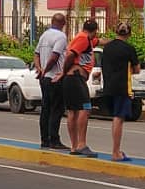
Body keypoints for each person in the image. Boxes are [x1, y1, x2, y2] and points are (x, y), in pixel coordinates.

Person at [100, 21, 140, 162]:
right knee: (119, 118)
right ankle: (115, 152)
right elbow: (137, 69)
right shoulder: (129, 49)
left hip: (108, 87)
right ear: (129, 33)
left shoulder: (107, 48)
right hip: (122, 87)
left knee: (115, 117)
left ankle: (116, 150)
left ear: (115, 32)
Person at [60, 19, 101, 157]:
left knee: (73, 111)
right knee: (85, 108)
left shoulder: (87, 40)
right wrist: (64, 71)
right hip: (75, 78)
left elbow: (100, 42)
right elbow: (71, 54)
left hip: (73, 79)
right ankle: (81, 144)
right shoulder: (83, 39)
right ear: (95, 31)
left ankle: (74, 146)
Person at [33, 13, 68, 150]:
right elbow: (54, 57)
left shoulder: (44, 35)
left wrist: (39, 68)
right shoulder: (61, 37)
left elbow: (36, 54)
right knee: (56, 109)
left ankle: (44, 139)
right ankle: (54, 139)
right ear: (62, 23)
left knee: (45, 109)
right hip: (55, 77)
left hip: (44, 78)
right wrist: (45, 69)